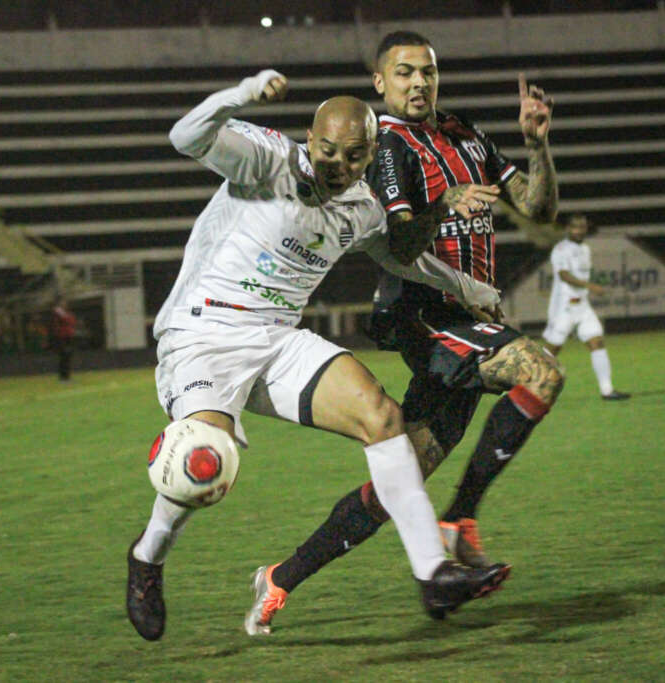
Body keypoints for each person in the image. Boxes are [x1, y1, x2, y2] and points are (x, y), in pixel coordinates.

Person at [127, 69, 513, 641]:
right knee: (203, 460)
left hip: (277, 340)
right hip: (203, 335)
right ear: (309, 139)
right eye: (327, 150)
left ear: (370, 154)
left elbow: (399, 257)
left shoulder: (360, 206)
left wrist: (466, 288)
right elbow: (186, 136)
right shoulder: (267, 160)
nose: (338, 164)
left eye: (354, 156)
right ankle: (148, 558)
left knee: (382, 417)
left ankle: (433, 571)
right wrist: (242, 94)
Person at [246, 30, 566, 636]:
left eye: (427, 72)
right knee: (541, 372)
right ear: (380, 83)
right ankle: (461, 521)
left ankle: (280, 579)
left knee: (403, 475)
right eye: (404, 73)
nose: (418, 83)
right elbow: (397, 244)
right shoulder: (388, 145)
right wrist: (446, 205)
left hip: (470, 320)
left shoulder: (465, 134)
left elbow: (537, 206)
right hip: (425, 314)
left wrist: (537, 146)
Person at [541, 214, 630, 400]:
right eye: (575, 227)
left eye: (582, 227)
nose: (579, 230)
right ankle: (530, 385)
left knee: (597, 341)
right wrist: (590, 286)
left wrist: (589, 287)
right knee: (551, 350)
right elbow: (564, 275)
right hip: (563, 308)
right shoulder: (561, 249)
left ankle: (607, 390)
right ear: (568, 228)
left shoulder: (585, 249)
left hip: (582, 306)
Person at [51, 297, 77, 381]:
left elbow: (72, 320)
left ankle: (67, 376)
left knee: (68, 356)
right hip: (62, 337)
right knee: (64, 356)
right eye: (63, 303)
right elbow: (64, 319)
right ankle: (63, 377)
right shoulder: (58, 312)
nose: (65, 304)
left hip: (69, 337)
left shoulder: (67, 313)